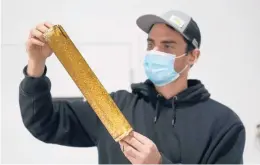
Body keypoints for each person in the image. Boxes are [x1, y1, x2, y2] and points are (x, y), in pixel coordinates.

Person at [19, 10, 246, 164]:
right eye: (151, 44)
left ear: (193, 56)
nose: (155, 52)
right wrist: (36, 64)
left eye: (167, 46)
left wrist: (158, 164)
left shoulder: (223, 124)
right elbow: (44, 123)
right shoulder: (114, 108)